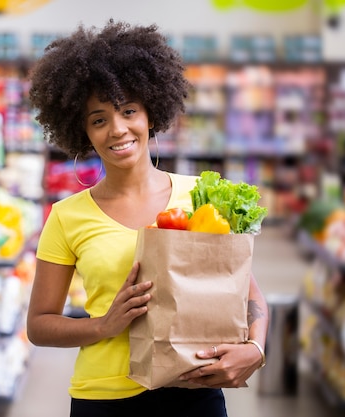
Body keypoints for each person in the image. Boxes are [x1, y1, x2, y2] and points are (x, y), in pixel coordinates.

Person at [26, 19, 269, 417]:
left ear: (151, 113)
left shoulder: (202, 195)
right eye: (99, 119)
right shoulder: (67, 216)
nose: (118, 129)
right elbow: (39, 325)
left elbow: (250, 295)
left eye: (128, 111)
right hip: (103, 399)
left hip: (194, 389)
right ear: (83, 131)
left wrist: (255, 349)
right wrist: (103, 326)